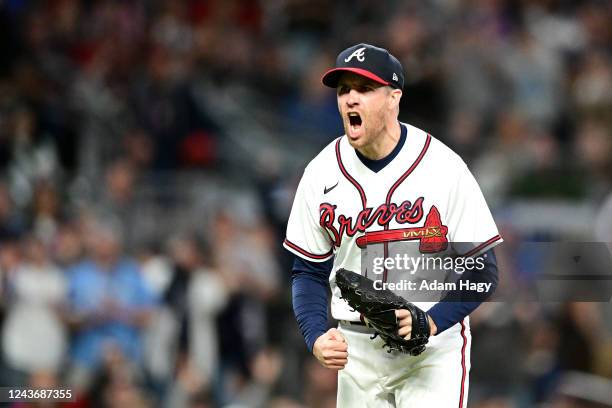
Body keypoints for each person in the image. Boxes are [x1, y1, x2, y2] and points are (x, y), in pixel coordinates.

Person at [284, 43, 502, 407]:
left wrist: (430, 322)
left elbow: (484, 271)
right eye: (344, 90)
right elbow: (307, 271)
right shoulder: (320, 174)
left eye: (365, 88)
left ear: (393, 97)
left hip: (432, 348)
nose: (351, 99)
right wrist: (316, 335)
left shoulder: (443, 167)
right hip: (356, 349)